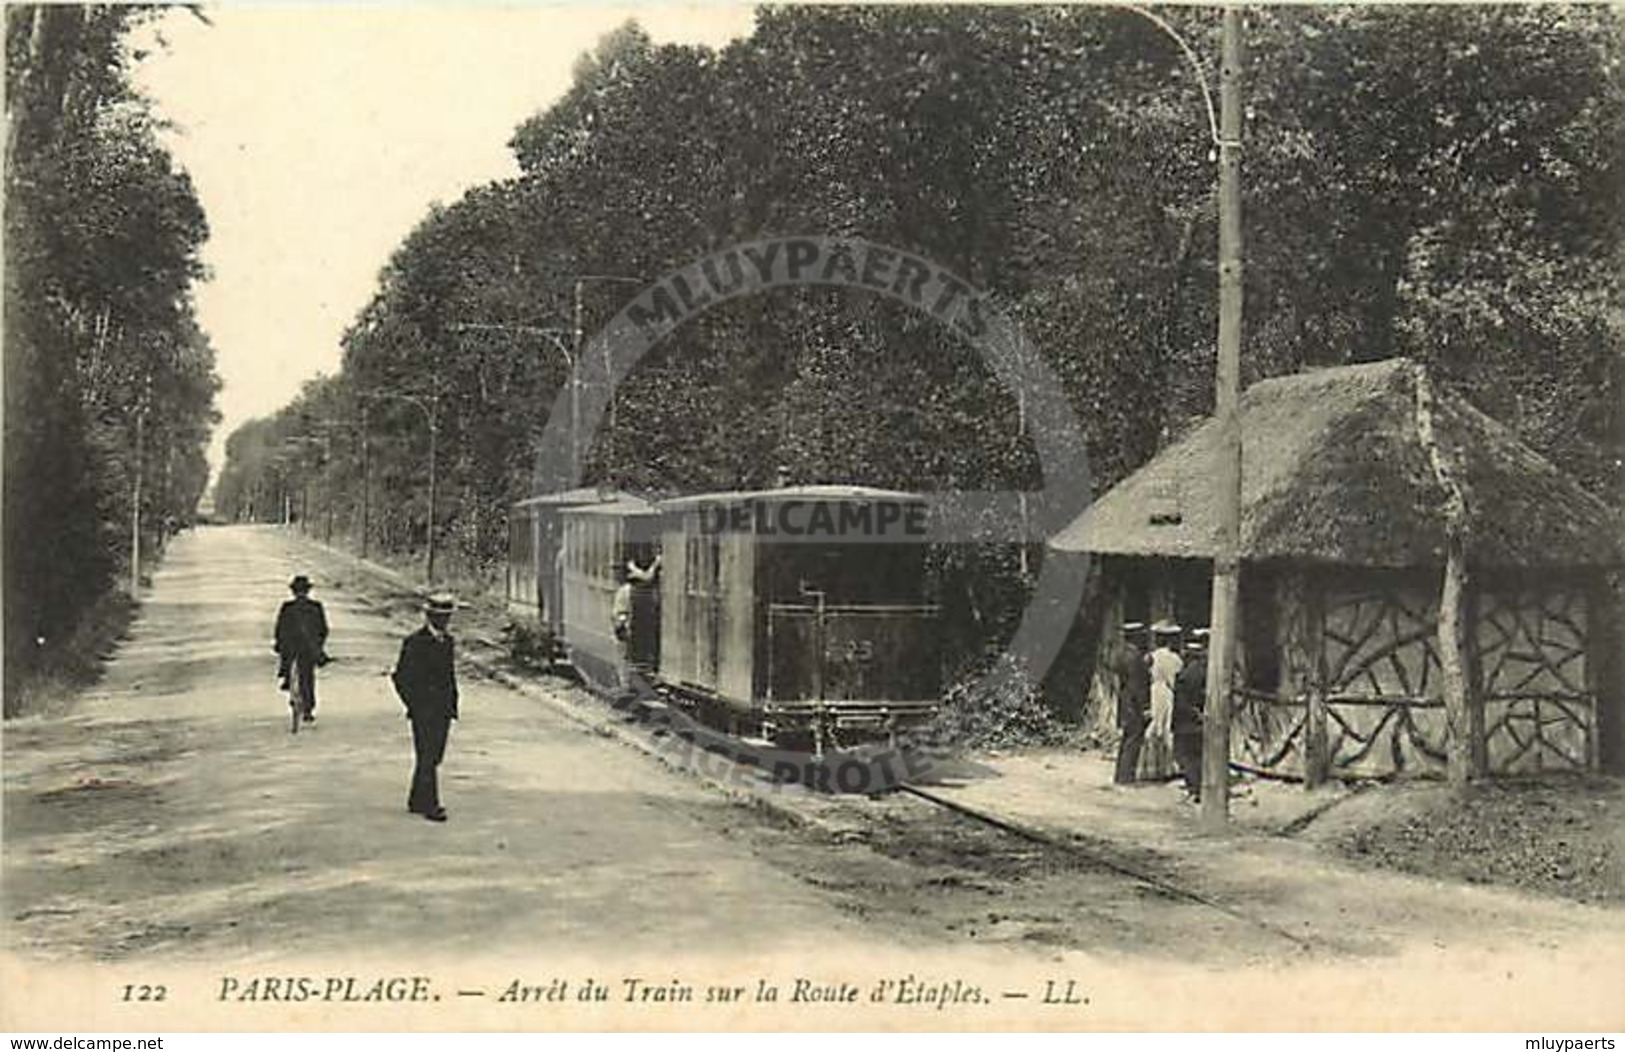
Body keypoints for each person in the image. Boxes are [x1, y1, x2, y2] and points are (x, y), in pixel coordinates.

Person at [392, 593, 460, 823]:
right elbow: (400, 677)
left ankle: (416, 800)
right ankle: (431, 805)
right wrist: (415, 704)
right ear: (429, 616)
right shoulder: (415, 642)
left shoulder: (448, 641)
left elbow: (449, 676)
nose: (444, 621)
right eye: (440, 617)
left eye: (447, 617)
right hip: (424, 710)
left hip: (443, 710)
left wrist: (452, 704)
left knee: (434, 756)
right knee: (427, 756)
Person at [273, 574, 329, 723]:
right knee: (308, 677)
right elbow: (323, 630)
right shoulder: (316, 607)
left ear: (293, 591)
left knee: (286, 659)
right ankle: (308, 709)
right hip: (308, 649)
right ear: (308, 591)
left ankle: (286, 677)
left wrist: (278, 644)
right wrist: (318, 646)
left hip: (291, 648)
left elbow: (279, 629)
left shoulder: (287, 607)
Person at [1142, 621, 1184, 781]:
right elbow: (1175, 679)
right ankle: (1167, 767)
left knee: (1156, 725)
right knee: (1166, 726)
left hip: (1155, 691)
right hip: (1166, 692)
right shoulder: (1174, 659)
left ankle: (1153, 766)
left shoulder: (1150, 656)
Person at [1113, 623, 1151, 785]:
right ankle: (1127, 777)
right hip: (1134, 702)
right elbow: (1138, 685)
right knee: (1134, 739)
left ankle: (1120, 774)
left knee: (1126, 738)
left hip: (1124, 699)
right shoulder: (1135, 657)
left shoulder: (1120, 654)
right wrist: (1145, 706)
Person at [1173, 630, 1209, 801]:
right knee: (1197, 754)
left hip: (1187, 719)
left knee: (1185, 755)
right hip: (1200, 718)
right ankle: (1199, 787)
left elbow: (1181, 700)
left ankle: (1194, 788)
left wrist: (1193, 713)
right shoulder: (1206, 671)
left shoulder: (1187, 674)